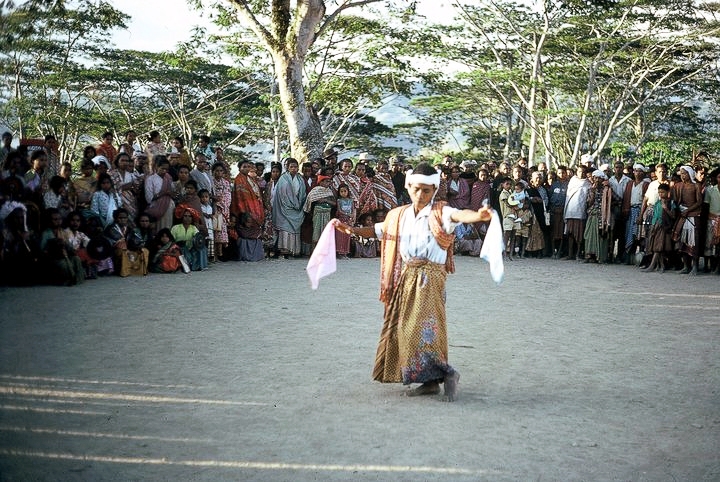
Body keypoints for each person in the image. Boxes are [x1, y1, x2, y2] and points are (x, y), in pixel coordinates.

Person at [334, 162, 493, 402]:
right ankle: (429, 382)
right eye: (416, 189)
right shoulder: (398, 215)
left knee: (425, 328)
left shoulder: (441, 212)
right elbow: (378, 230)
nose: (421, 194)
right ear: (408, 187)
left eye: (427, 190)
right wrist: (350, 230)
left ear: (434, 190)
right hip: (406, 277)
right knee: (405, 328)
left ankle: (447, 374)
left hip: (431, 278)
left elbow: (460, 215)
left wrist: (477, 215)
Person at [271, 158, 307, 258]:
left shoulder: (300, 179)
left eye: (295, 167)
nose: (294, 169)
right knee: (285, 228)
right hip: (285, 207)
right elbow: (283, 195)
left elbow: (303, 193)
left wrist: (299, 204)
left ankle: (293, 251)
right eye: (291, 167)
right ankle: (284, 250)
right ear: (287, 167)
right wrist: (292, 204)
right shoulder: (283, 179)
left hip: (298, 208)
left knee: (294, 229)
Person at [642, 183, 675, 273]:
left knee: (658, 247)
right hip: (656, 226)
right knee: (658, 246)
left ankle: (652, 265)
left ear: (667, 192)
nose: (660, 194)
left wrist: (666, 209)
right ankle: (661, 266)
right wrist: (653, 225)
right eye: (659, 192)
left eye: (663, 192)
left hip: (664, 227)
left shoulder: (671, 203)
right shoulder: (657, 203)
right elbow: (655, 216)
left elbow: (673, 216)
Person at [334, 183, 355, 259]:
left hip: (348, 220)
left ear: (348, 192)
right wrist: (347, 214)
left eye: (345, 191)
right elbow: (339, 210)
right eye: (341, 191)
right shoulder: (339, 200)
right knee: (340, 236)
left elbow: (353, 210)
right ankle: (340, 253)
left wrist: (352, 216)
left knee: (347, 236)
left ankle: (345, 252)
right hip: (341, 220)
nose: (343, 193)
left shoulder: (351, 200)